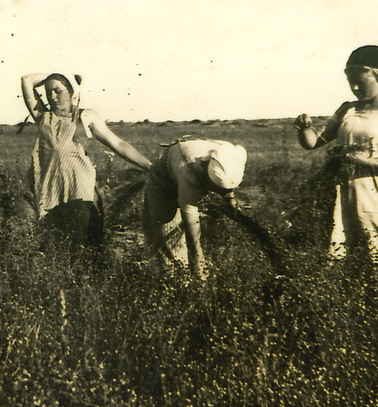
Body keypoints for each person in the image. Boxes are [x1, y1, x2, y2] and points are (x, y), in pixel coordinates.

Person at [293, 45, 378, 271]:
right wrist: (304, 127)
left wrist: (358, 161)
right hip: (342, 191)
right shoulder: (347, 109)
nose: (354, 87)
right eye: (350, 81)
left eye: (360, 81)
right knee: (347, 255)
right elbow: (314, 143)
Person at [21, 72, 151, 246]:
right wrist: (58, 72)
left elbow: (118, 144)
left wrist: (150, 166)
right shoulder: (43, 116)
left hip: (80, 188)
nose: (52, 96)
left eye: (58, 90)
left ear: (72, 92)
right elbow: (26, 80)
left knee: (84, 238)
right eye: (48, 92)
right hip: (50, 187)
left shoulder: (86, 116)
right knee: (54, 241)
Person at [143, 138, 247, 280]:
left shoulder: (230, 155)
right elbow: (191, 223)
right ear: (206, 172)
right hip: (164, 180)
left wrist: (229, 199)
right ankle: (175, 282)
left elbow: (228, 183)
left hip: (185, 167)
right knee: (168, 233)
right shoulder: (188, 172)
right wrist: (198, 264)